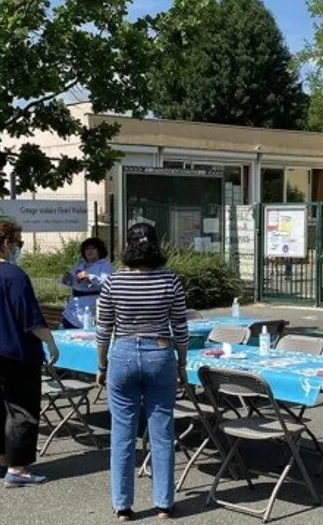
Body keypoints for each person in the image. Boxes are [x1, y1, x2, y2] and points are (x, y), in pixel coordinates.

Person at [96, 223, 188, 521]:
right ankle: (164, 503)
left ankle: (122, 506)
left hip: (122, 354)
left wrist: (102, 364)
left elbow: (104, 327)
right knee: (161, 431)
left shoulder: (114, 281)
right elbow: (181, 328)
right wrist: (182, 364)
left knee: (122, 434)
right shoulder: (170, 280)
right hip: (160, 354)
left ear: (129, 246)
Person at [0, 219, 60, 488]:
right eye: (18, 243)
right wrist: (50, 342)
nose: (18, 248)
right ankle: (18, 468)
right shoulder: (14, 275)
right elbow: (30, 317)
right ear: (6, 243)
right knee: (22, 408)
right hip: (15, 350)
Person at [60, 237, 113, 329]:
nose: (89, 251)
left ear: (99, 250)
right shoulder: (81, 263)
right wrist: (67, 279)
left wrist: (89, 276)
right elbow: (74, 281)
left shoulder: (105, 265)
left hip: (89, 308)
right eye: (87, 249)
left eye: (93, 248)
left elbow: (106, 282)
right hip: (71, 310)